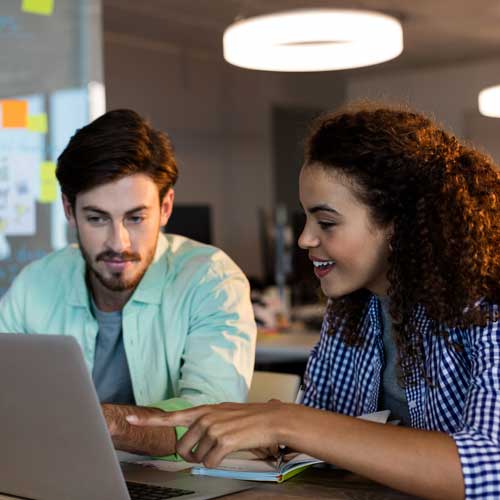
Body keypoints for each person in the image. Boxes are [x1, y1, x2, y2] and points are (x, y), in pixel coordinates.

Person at [129, 104, 500, 499]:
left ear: (398, 225)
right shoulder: (354, 309)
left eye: (326, 222)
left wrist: (287, 421)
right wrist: (264, 434)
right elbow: (312, 445)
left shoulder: (485, 306)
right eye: (305, 218)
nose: (305, 238)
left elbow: (491, 467)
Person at [0, 109, 256, 458]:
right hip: (59, 475)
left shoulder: (211, 280)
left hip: (179, 482)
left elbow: (210, 419)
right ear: (69, 211)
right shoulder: (35, 284)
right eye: (96, 218)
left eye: (136, 218)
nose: (118, 242)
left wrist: (110, 423)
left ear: (165, 208)